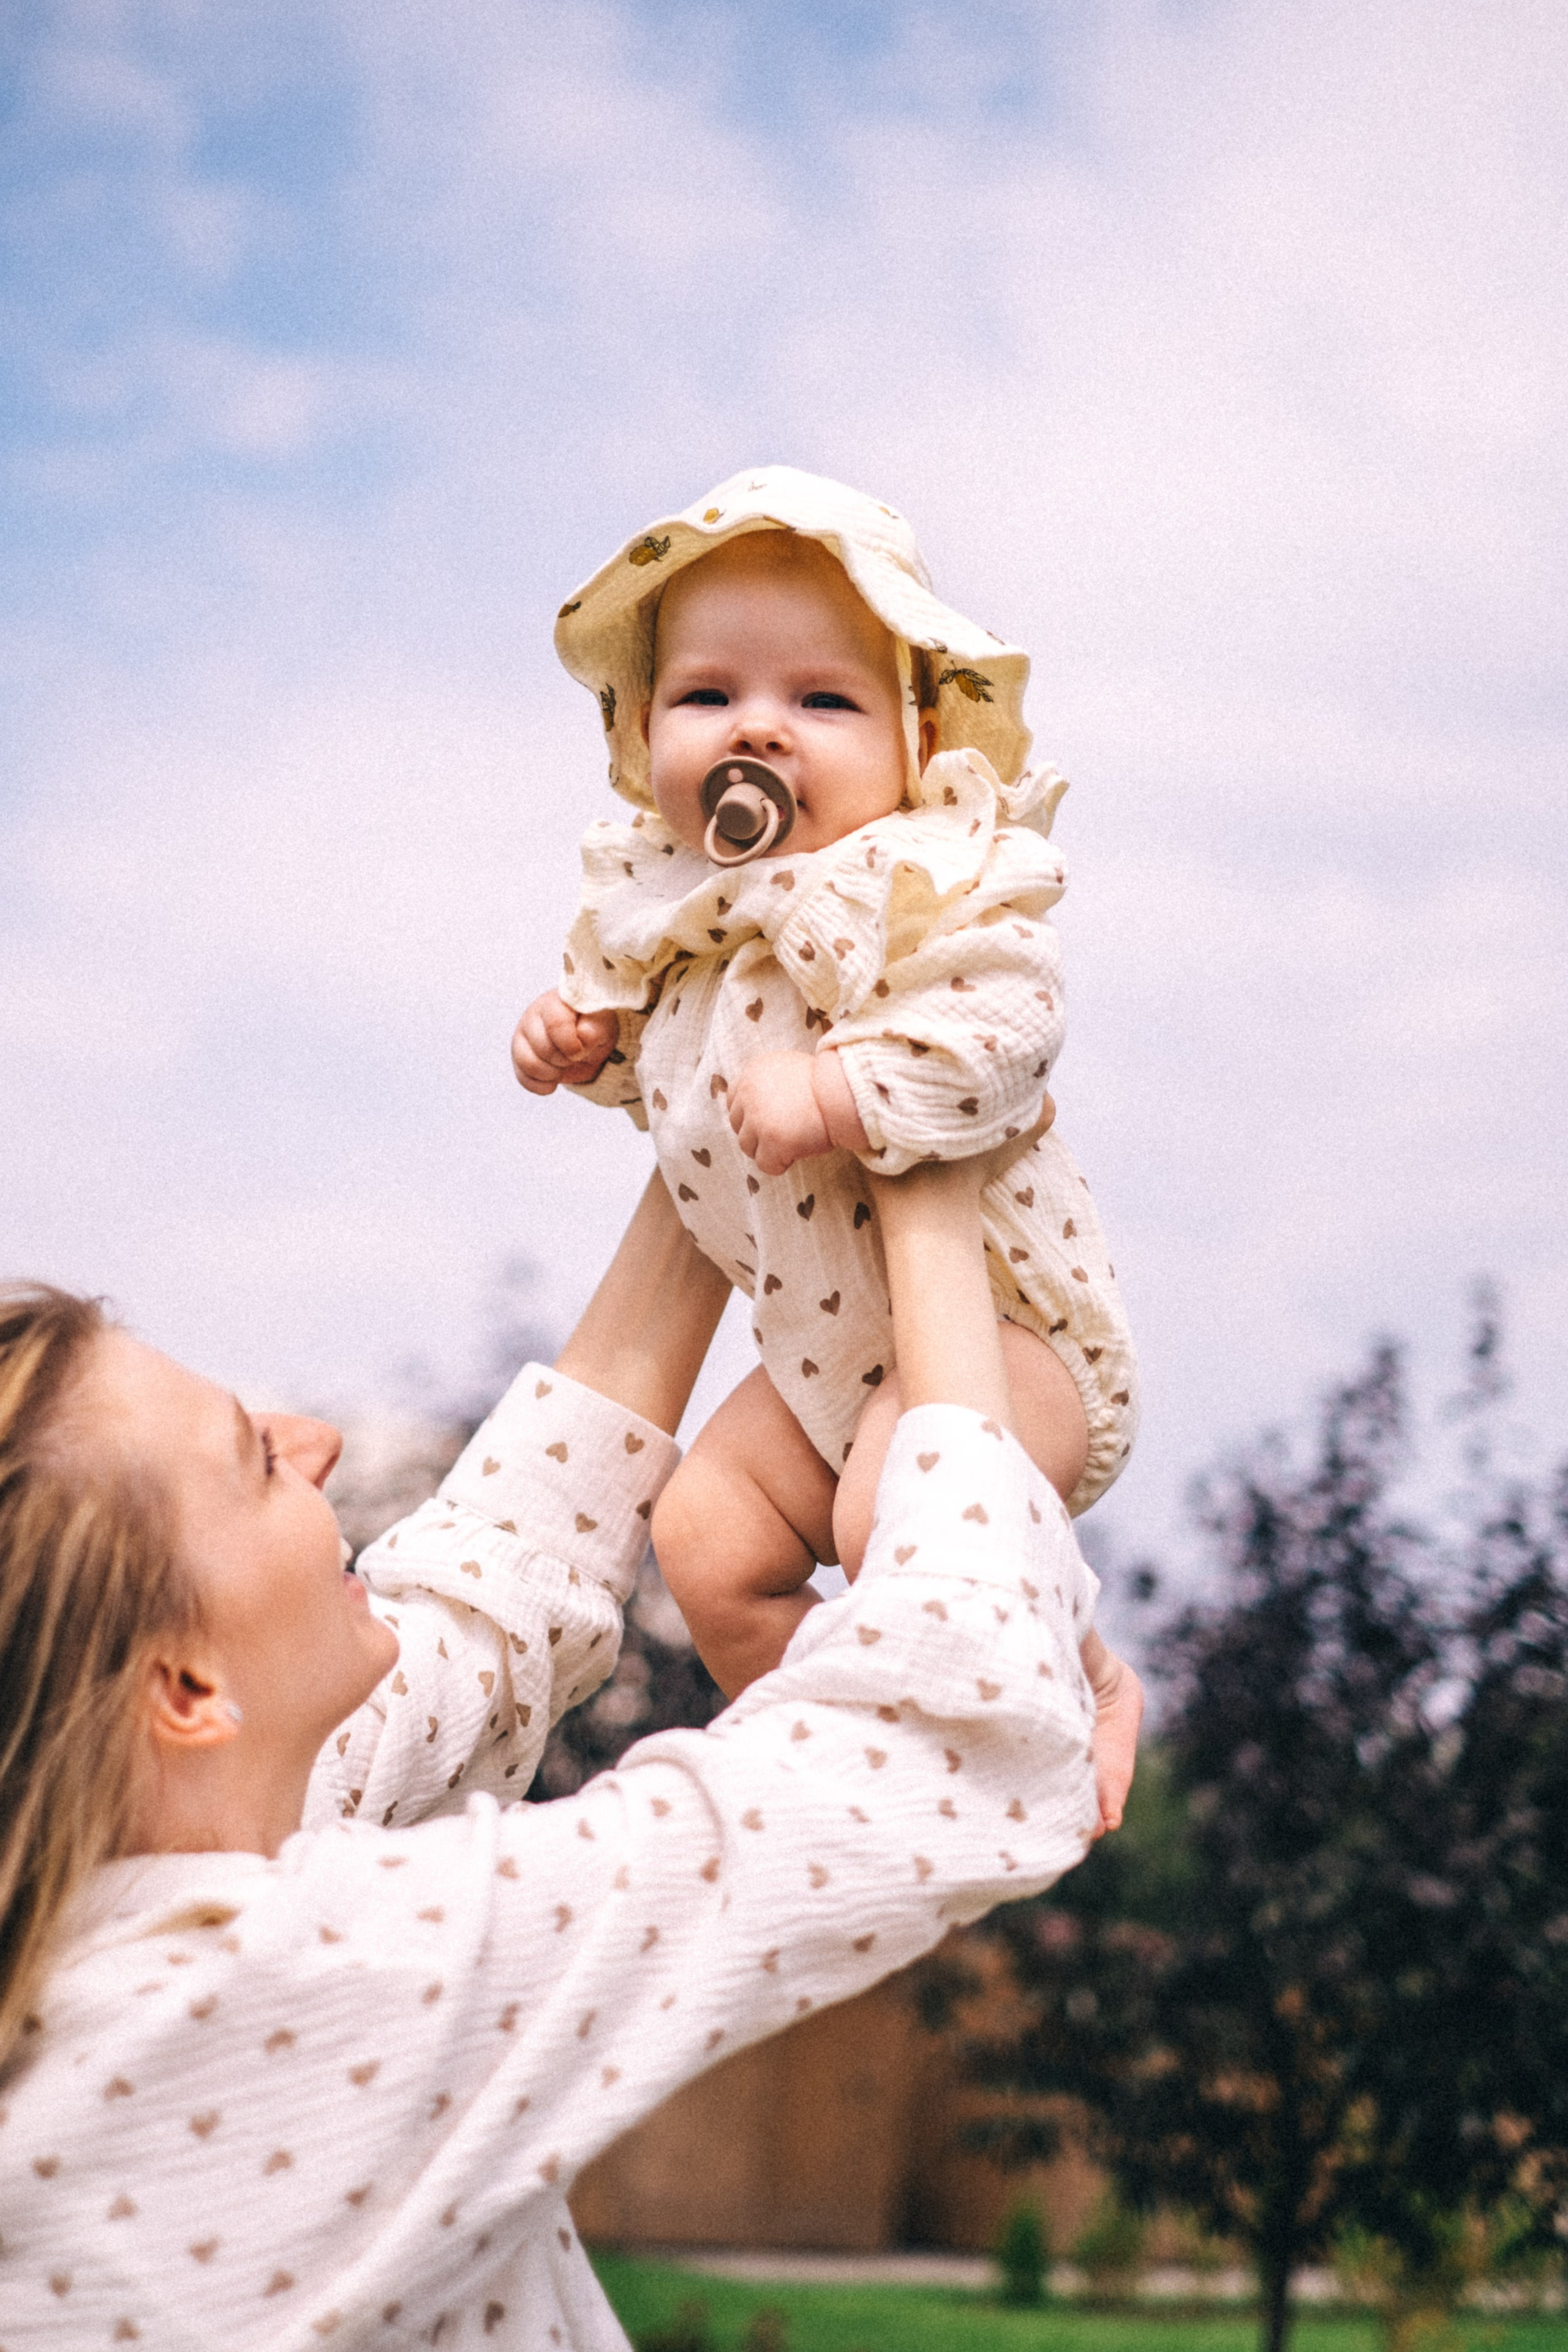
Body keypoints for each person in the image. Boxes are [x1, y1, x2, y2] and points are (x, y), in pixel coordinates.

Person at [0, 1145, 1140, 2350]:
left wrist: (713, 1122)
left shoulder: (111, 1912)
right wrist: (926, 1188)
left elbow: (494, 1604)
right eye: (257, 1460)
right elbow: (935, 1734)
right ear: (185, 1691)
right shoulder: (250, 2005)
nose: (316, 1441)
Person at [513, 466, 1139, 1694]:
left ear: (915, 743)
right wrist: (587, 1045)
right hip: (825, 1358)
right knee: (705, 1540)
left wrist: (840, 1091)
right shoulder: (666, 909)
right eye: (707, 694)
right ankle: (827, 1749)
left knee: (884, 1524)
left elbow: (1008, 1027)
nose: (756, 730)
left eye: (821, 699)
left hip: (1012, 1335)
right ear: (642, 735)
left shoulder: (918, 875)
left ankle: (1080, 1680)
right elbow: (675, 1079)